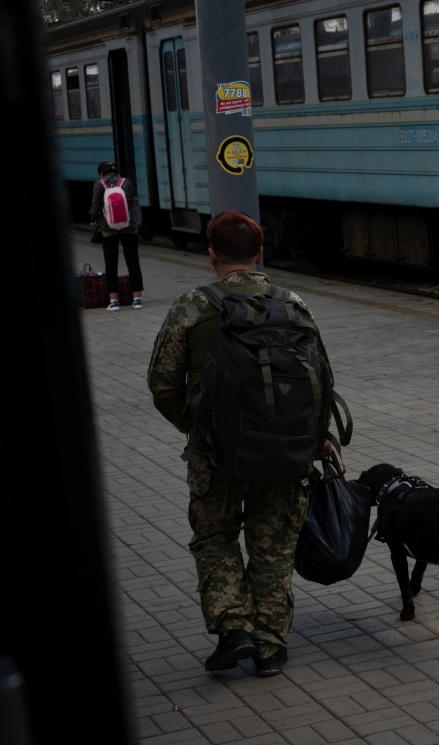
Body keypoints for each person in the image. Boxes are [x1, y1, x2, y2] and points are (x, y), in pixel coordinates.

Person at [147, 211, 342, 677]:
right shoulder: (293, 303)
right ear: (259, 254)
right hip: (284, 452)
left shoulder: (192, 307)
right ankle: (270, 646)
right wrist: (316, 442)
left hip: (215, 455)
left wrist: (196, 427)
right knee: (273, 545)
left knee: (216, 538)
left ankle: (233, 629)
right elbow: (324, 379)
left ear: (211, 253)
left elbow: (162, 384)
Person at [90, 161, 145, 311]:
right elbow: (132, 204)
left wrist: (93, 219)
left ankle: (114, 301)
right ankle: (137, 299)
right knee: (133, 262)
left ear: (101, 172)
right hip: (128, 227)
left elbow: (95, 207)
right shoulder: (127, 182)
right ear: (117, 172)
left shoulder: (99, 184)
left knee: (111, 264)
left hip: (108, 229)